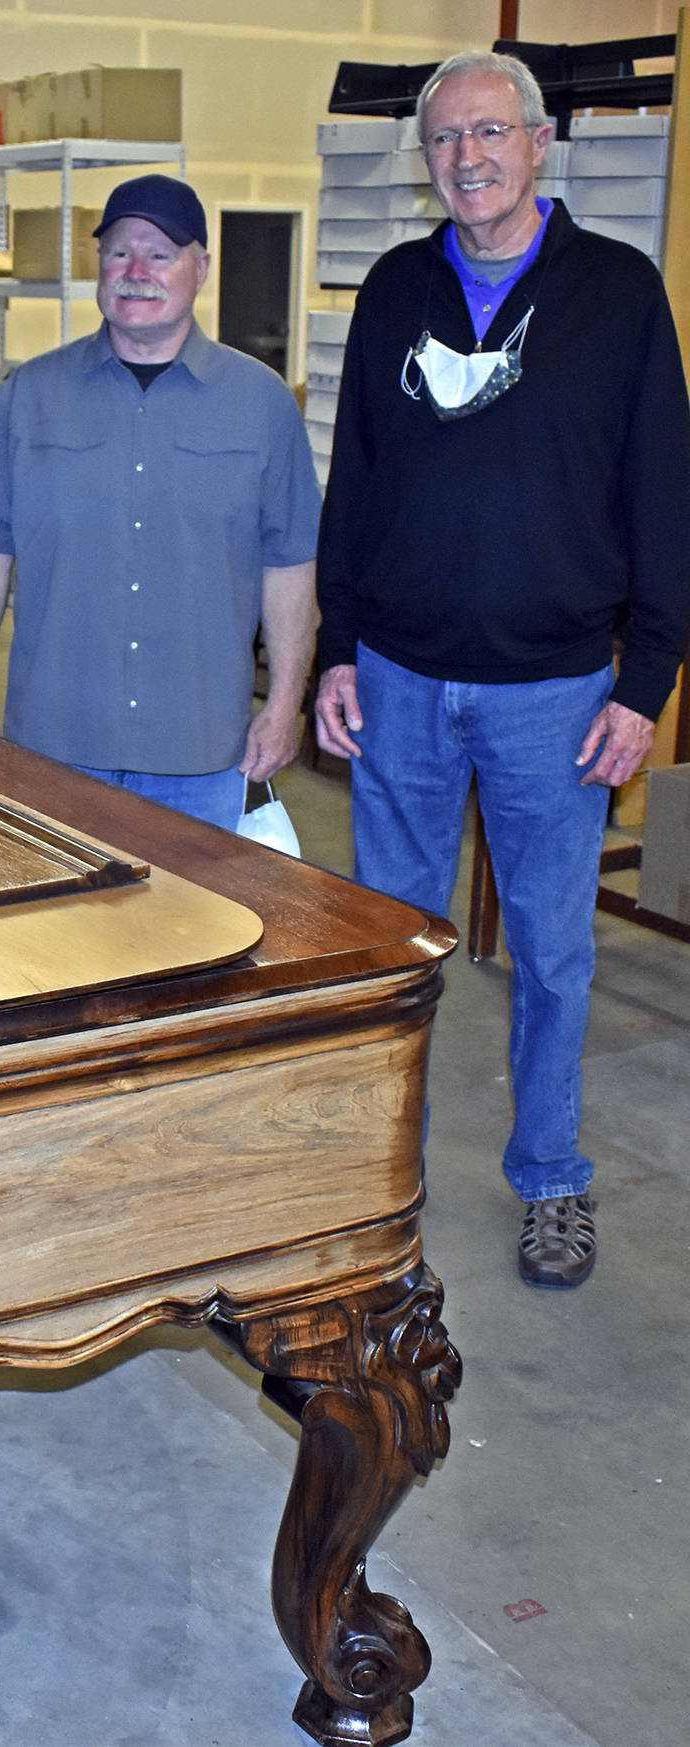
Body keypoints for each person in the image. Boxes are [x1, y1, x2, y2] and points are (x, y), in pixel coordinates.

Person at [314, 50, 690, 1288]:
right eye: (443, 139)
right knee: (391, 951)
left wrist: (643, 682)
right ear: (424, 160)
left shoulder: (617, 292)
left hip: (556, 695)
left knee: (551, 953)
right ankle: (381, 1182)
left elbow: (661, 494)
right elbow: (354, 480)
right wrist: (333, 645)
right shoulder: (393, 288)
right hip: (399, 681)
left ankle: (549, 1176)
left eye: (488, 132)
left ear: (537, 143)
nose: (466, 157)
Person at [0, 173, 321, 833]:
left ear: (201, 268)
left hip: (203, 755)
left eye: (160, 254)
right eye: (120, 252)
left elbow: (289, 564)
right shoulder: (30, 396)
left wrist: (285, 702)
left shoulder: (262, 404)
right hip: (54, 745)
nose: (136, 271)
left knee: (195, 906)